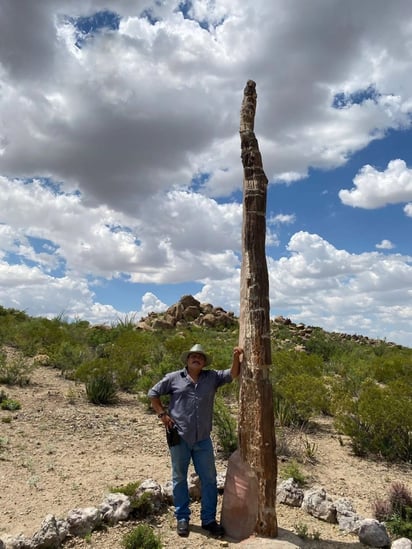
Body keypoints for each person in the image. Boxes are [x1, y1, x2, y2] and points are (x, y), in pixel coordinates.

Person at [148, 343, 243, 538]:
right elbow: (153, 394)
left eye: (200, 357)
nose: (196, 358)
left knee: (209, 479)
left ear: (204, 362)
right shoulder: (174, 378)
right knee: (180, 478)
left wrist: (236, 357)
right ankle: (182, 518)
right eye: (193, 356)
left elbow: (232, 374)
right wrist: (162, 415)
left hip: (203, 439)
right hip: (180, 436)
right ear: (187, 359)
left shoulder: (212, 377)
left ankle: (208, 520)